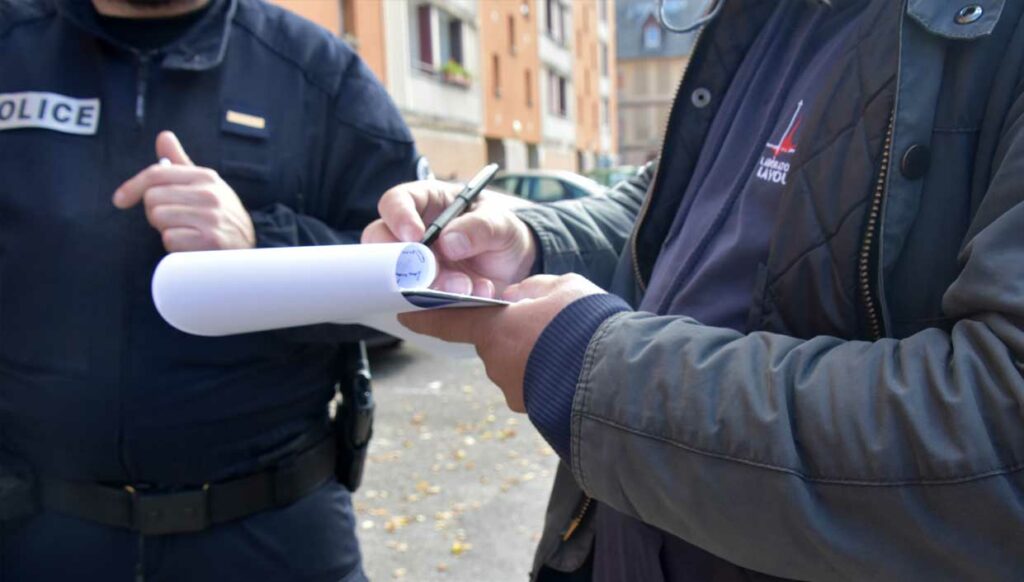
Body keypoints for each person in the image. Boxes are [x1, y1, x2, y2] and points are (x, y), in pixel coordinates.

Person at [364, 0, 1024, 580]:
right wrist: (527, 238)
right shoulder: (764, 19)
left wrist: (596, 373)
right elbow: (672, 208)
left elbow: (1001, 433)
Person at [0, 0, 423, 580]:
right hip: (35, 533)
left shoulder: (317, 71)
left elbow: (415, 280)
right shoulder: (14, 43)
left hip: (273, 533)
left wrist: (260, 247)